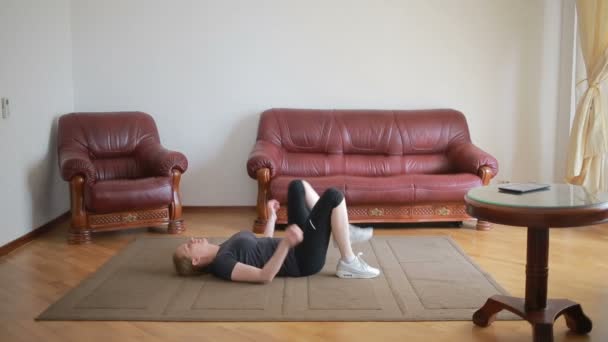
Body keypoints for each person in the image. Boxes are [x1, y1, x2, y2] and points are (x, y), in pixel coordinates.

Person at [172, 179, 380, 283]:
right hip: (302, 260)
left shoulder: (223, 247)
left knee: (297, 186)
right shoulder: (222, 264)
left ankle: (343, 231)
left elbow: (262, 246)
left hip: (295, 244)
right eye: (189, 246)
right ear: (195, 261)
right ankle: (348, 262)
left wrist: (271, 217)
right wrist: (286, 243)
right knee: (334, 196)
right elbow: (264, 275)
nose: (192, 239)